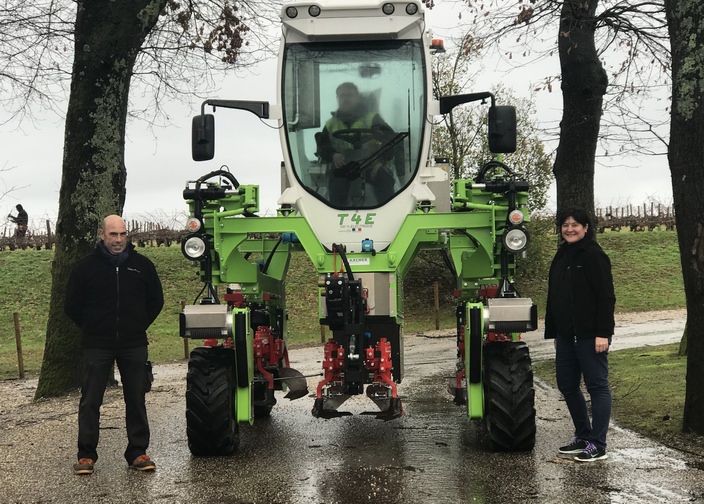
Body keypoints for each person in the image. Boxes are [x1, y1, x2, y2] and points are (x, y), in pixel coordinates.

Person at [65, 215, 164, 475]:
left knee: (136, 398)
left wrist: (138, 325)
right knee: (90, 400)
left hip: (133, 344)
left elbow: (156, 301)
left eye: (122, 234)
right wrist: (93, 328)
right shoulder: (85, 269)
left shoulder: (143, 265)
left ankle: (138, 452)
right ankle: (86, 455)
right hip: (97, 345)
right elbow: (72, 306)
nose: (118, 240)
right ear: (102, 235)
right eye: (113, 235)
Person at [544, 208, 616, 462]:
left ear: (586, 228)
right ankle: (583, 436)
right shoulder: (562, 255)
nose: (570, 228)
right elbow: (555, 296)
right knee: (567, 385)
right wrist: (555, 331)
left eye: (575, 224)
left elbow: (606, 297)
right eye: (565, 224)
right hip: (566, 337)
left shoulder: (594, 256)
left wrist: (603, 334)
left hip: (590, 336)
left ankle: (598, 444)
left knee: (597, 387)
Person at [315, 82, 398, 206]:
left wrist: (380, 161)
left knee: (384, 179)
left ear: (357, 97)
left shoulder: (372, 118)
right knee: (336, 182)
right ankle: (337, 215)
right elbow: (323, 147)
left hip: (371, 166)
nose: (346, 99)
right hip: (344, 167)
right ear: (337, 98)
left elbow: (391, 139)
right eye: (342, 96)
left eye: (349, 95)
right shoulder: (330, 124)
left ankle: (389, 212)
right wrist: (333, 155)